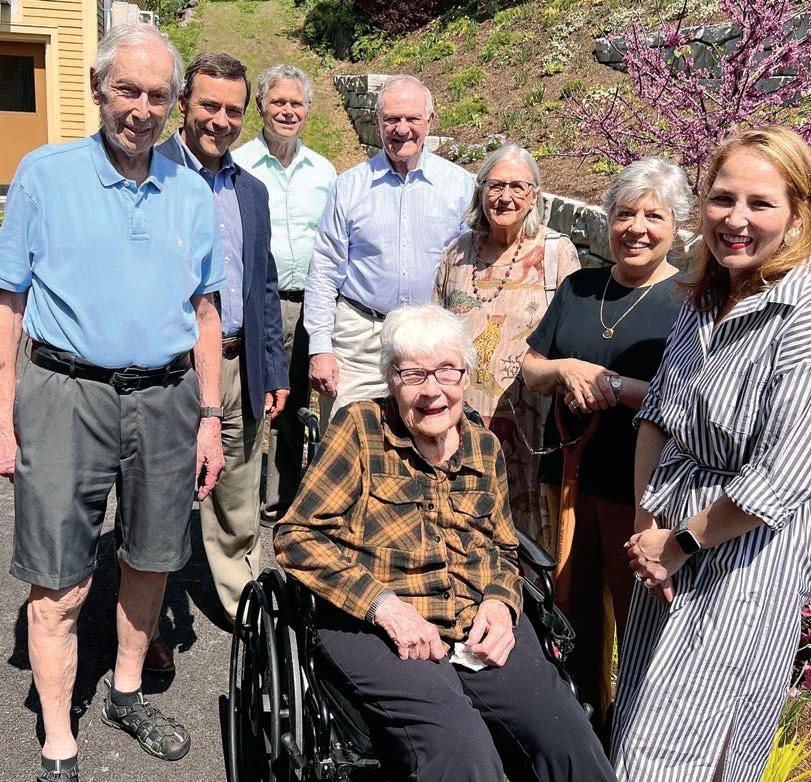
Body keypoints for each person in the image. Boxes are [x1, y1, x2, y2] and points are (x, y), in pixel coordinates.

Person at [0, 23, 225, 782]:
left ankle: (125, 691)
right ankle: (58, 738)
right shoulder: (44, 175)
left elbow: (206, 312)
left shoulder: (191, 190)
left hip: (167, 398)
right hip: (65, 394)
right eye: (127, 90)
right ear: (97, 89)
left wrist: (210, 419)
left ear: (173, 103)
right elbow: (5, 303)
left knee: (151, 559)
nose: (141, 109)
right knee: (60, 580)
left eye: (157, 95)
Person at [274, 304, 616, 782]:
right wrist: (384, 606)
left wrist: (500, 604)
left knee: (569, 736)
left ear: (465, 376)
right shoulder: (360, 429)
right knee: (462, 750)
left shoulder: (483, 446)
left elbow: (503, 548)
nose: (431, 390)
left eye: (446, 371)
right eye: (413, 374)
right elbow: (297, 536)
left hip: (476, 620)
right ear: (390, 379)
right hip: (378, 625)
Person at [612, 126, 811, 781]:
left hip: (747, 547)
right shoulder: (707, 296)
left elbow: (784, 473)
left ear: (799, 215)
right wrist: (646, 528)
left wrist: (681, 543)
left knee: (692, 737)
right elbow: (658, 413)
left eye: (760, 203)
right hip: (671, 533)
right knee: (641, 712)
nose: (735, 219)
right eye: (723, 199)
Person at [521, 157, 692, 732]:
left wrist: (613, 386)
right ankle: (579, 724)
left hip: (640, 491)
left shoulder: (689, 301)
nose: (636, 228)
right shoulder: (580, 287)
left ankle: (637, 731)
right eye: (624, 214)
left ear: (676, 225)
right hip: (569, 477)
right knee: (572, 606)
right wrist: (565, 368)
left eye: (653, 216)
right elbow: (531, 370)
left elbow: (689, 397)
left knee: (635, 614)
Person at [156, 53, 289, 624]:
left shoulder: (251, 191)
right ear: (184, 103)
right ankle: (149, 616)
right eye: (209, 105)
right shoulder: (149, 170)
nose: (220, 120)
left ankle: (245, 609)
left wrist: (274, 368)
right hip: (169, 369)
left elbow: (265, 285)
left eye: (233, 110)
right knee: (156, 494)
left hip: (238, 362)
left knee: (237, 491)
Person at [304, 74, 475, 431]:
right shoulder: (350, 186)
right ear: (377, 121)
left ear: (431, 120)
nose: (402, 129)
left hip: (429, 339)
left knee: (428, 439)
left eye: (412, 118)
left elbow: (472, 268)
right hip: (360, 337)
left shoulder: (459, 186)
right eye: (392, 119)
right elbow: (324, 271)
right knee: (346, 437)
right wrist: (320, 347)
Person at [434, 144, 579, 543]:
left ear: (534, 195)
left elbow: (571, 339)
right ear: (480, 191)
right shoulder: (458, 252)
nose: (505, 197)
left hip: (531, 419)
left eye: (518, 186)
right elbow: (436, 331)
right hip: (463, 416)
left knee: (527, 522)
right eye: (495, 185)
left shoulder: (556, 253)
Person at [233, 64, 336, 522]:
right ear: (261, 106)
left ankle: (281, 501)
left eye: (297, 103)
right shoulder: (238, 164)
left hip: (309, 301)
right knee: (251, 399)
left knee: (294, 403)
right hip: (257, 302)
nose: (288, 111)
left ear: (308, 109)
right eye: (279, 102)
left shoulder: (324, 171)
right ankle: (238, 498)